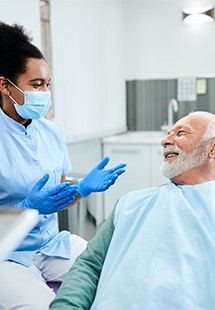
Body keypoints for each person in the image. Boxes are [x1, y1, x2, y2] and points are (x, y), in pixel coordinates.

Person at [0, 21, 126, 309]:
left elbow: (57, 196)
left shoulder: (51, 132)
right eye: (36, 85)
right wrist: (25, 210)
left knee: (118, 268)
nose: (44, 92)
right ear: (5, 85)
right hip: (8, 256)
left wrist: (80, 189)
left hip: (52, 245)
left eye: (47, 84)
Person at [50, 111, 215, 310]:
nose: (165, 140)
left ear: (212, 147)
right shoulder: (131, 203)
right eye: (168, 134)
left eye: (180, 133)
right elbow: (90, 265)